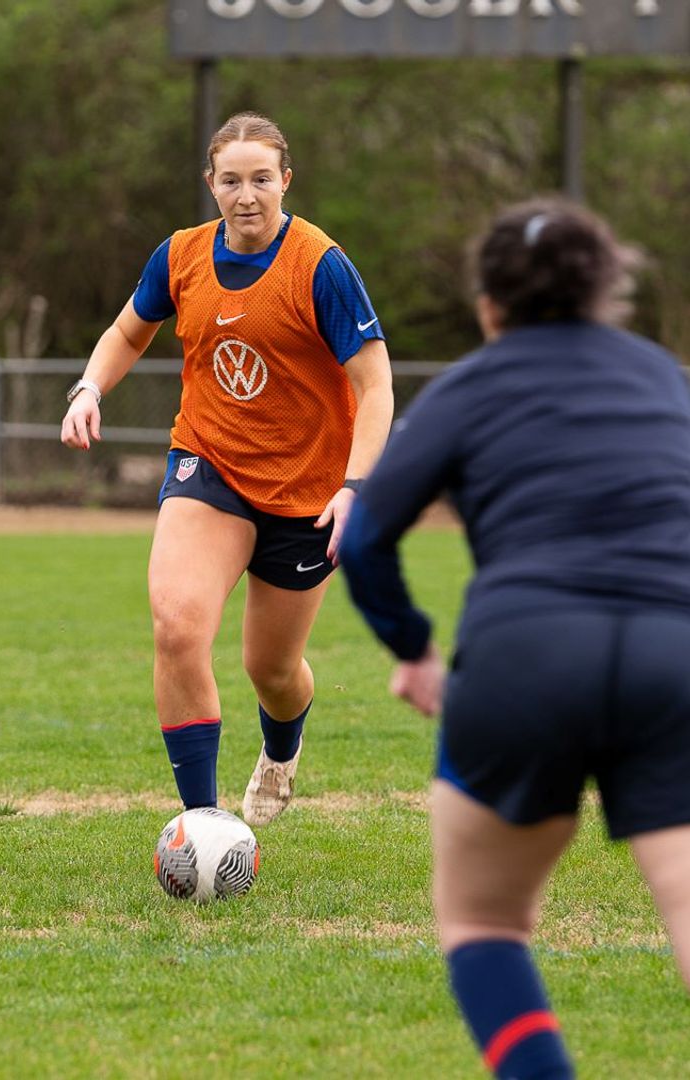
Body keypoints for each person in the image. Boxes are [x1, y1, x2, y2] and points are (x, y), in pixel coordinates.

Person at [338, 198, 690, 1079]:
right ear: (606, 288)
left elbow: (368, 534)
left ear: (488, 303)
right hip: (671, 654)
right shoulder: (661, 377)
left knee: (484, 922)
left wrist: (412, 650)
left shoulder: (469, 387)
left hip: (523, 658)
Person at [60, 113, 393, 825]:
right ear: (211, 184)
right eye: (232, 179)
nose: (248, 195)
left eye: (262, 179)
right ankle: (203, 825)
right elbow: (127, 332)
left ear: (286, 182)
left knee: (270, 671)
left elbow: (375, 385)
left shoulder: (320, 266)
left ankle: (280, 751)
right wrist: (89, 387)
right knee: (177, 626)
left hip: (307, 492)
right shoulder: (179, 256)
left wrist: (356, 486)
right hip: (208, 466)